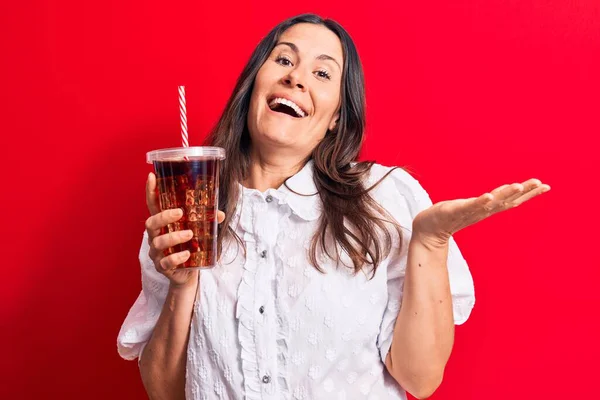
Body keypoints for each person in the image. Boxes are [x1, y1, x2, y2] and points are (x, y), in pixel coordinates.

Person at [117, 13, 550, 400]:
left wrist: (431, 242)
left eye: (322, 73)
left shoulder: (383, 198)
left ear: (337, 117)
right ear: (255, 85)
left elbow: (421, 378)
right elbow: (166, 391)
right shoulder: (188, 207)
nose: (297, 78)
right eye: (284, 61)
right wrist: (182, 284)